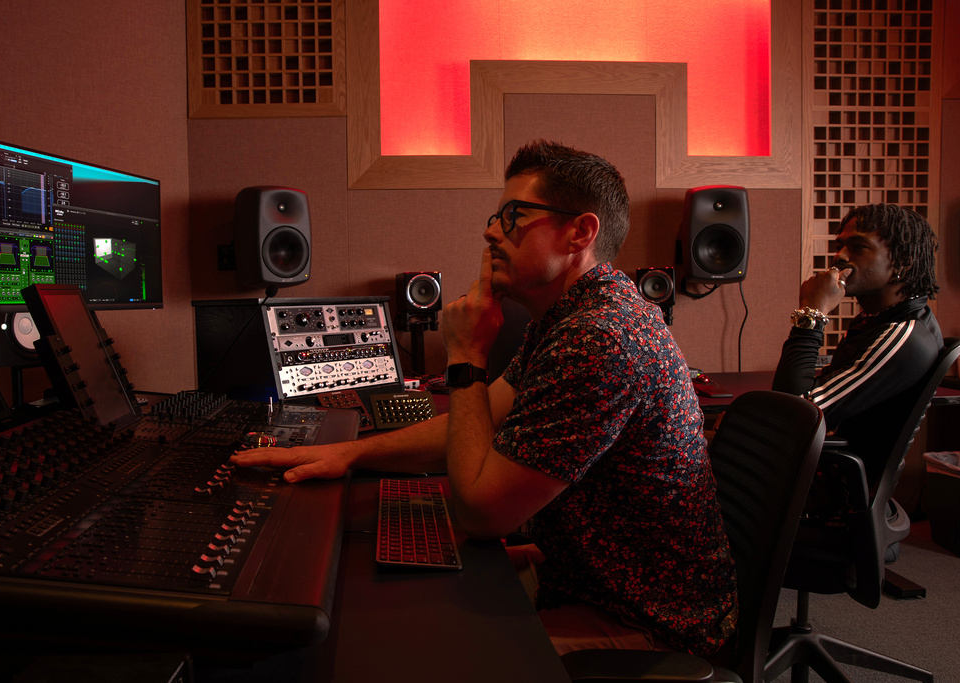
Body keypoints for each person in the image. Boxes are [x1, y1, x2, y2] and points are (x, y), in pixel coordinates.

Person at [231, 140, 737, 656]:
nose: (490, 231)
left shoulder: (600, 339)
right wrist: (349, 454)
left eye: (514, 215)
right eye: (496, 215)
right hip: (583, 581)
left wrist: (466, 354)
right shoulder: (574, 319)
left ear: (580, 232)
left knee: (400, 654)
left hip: (647, 623)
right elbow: (486, 416)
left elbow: (479, 514)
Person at [772, 203, 943, 490]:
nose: (839, 257)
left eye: (859, 247)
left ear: (904, 263)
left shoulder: (903, 335)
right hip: (815, 471)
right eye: (839, 246)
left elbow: (793, 417)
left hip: (833, 492)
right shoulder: (877, 319)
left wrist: (812, 312)